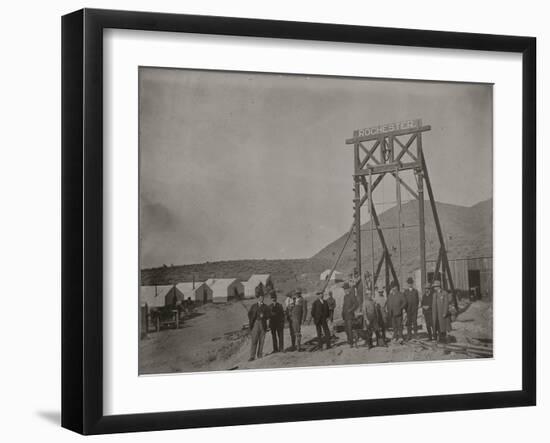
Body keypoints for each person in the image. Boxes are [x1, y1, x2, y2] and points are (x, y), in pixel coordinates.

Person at [248, 292, 270, 361]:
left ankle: (259, 355)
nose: (261, 299)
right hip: (255, 324)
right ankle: (252, 356)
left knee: (262, 340)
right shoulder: (254, 306)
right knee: (254, 340)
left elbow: (268, 316)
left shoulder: (266, 307)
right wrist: (252, 318)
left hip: (263, 324)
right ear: (258, 298)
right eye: (260, 298)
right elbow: (249, 314)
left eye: (262, 298)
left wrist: (264, 316)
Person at [341, 282, 358, 348]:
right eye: (344, 289)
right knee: (346, 329)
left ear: (348, 289)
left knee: (350, 329)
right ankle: (350, 340)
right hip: (345, 316)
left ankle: (351, 343)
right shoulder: (345, 297)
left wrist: (351, 310)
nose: (344, 290)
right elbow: (344, 306)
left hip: (350, 316)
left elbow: (356, 304)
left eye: (345, 289)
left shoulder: (352, 296)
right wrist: (342, 313)